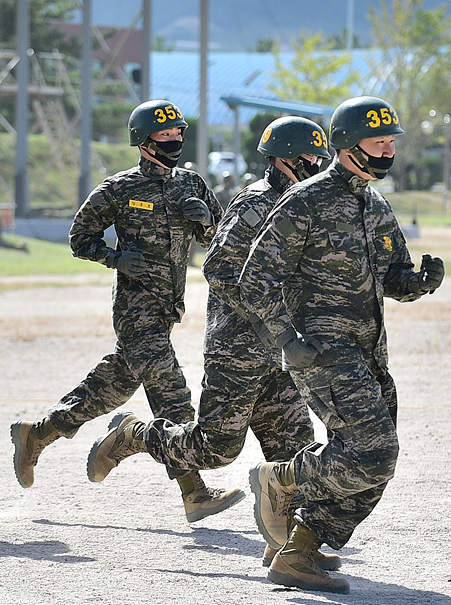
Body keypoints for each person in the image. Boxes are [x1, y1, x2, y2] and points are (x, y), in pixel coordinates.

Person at [86, 116, 335, 568]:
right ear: (283, 159)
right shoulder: (255, 205)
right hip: (238, 349)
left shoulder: (306, 208)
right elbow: (219, 268)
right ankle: (134, 436)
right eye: (309, 159)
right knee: (215, 449)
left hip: (281, 352)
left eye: (321, 158)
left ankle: (293, 549)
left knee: (294, 449)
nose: (317, 166)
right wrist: (268, 321)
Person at [240, 96, 445, 593]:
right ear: (348, 145)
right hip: (322, 351)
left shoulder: (374, 204)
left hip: (369, 350)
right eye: (379, 142)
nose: (389, 150)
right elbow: (254, 279)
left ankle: (300, 552)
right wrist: (287, 339)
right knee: (374, 454)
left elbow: (391, 277)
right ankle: (280, 479)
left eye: (392, 141)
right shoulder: (305, 200)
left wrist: (416, 281)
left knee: (375, 464)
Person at [10, 99, 243, 523]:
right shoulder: (119, 188)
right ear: (143, 141)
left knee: (110, 389)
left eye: (177, 134)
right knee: (174, 399)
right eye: (164, 135)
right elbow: (80, 236)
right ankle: (194, 493)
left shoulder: (191, 183)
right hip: (136, 311)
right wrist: (114, 258)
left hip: (167, 308)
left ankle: (37, 434)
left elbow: (223, 241)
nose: (173, 141)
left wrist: (208, 219)